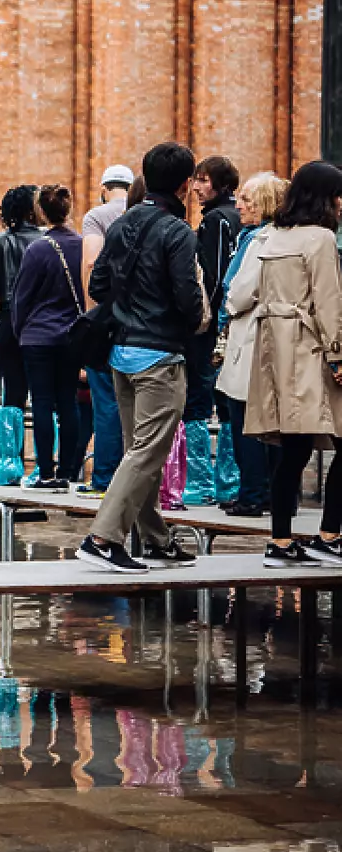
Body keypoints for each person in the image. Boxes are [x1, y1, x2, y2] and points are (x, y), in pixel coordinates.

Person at [78, 142, 208, 573]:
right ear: (186, 185)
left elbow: (98, 286)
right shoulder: (177, 232)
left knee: (142, 451)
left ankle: (155, 539)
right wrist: (190, 320)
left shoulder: (120, 224)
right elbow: (189, 300)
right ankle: (102, 538)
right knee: (147, 452)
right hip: (158, 354)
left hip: (120, 351)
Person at [232, 161, 342, 567]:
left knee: (292, 451)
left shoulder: (273, 235)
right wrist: (339, 354)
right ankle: (329, 535)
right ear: (325, 197)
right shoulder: (321, 239)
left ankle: (279, 541)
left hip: (275, 353)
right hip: (312, 350)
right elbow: (329, 302)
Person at [214, 171, 288, 518]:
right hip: (275, 340)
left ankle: (253, 494)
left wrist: (226, 309)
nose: (239, 204)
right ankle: (272, 493)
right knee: (270, 421)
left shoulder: (258, 239)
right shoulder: (286, 236)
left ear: (265, 205)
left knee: (247, 418)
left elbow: (239, 290)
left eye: (246, 199)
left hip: (250, 336)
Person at [11, 185, 87, 489]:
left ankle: (45, 471)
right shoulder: (84, 245)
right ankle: (68, 470)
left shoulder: (38, 249)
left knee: (41, 402)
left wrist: (20, 332)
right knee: (68, 401)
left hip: (38, 336)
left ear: (40, 212)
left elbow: (21, 298)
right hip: (71, 336)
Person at [185, 155, 242, 506]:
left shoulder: (219, 221)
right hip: (226, 328)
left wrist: (205, 321)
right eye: (196, 180)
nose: (196, 188)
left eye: (204, 180)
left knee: (201, 402)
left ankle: (207, 482)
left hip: (214, 330)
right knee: (224, 403)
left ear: (221, 184)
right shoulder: (227, 219)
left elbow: (215, 278)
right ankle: (225, 481)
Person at [76, 164, 135, 496]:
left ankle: (104, 480)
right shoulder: (146, 213)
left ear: (103, 187)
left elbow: (90, 262)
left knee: (107, 401)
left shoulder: (97, 216)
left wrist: (91, 317)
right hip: (143, 323)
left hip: (108, 318)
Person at [0, 185, 41, 484]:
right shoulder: (47, 241)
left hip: (6, 320)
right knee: (43, 394)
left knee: (10, 393)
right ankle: (45, 463)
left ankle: (8, 459)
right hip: (39, 322)